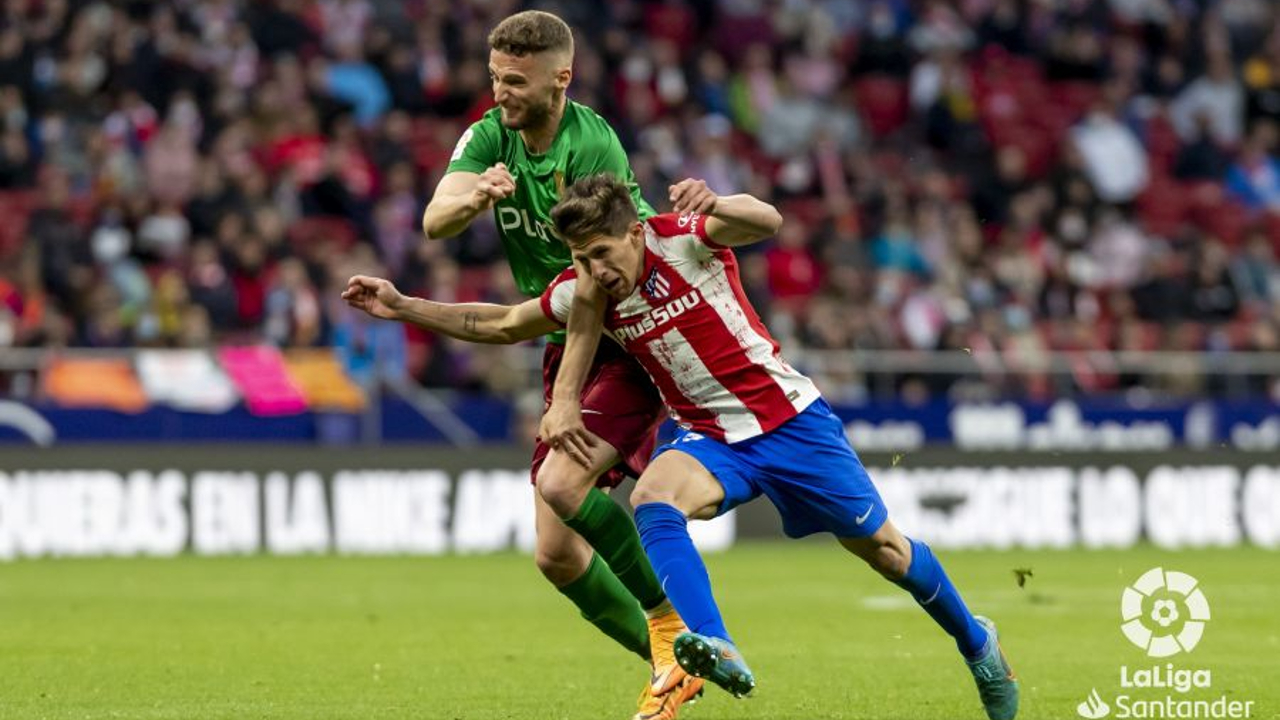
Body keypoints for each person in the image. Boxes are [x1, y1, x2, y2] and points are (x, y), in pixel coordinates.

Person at [345, 173, 1019, 720]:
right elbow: (498, 323)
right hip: (713, 438)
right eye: (580, 259)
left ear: (634, 233)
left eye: (602, 253)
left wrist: (720, 200)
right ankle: (711, 642)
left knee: (887, 553)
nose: (593, 270)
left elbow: (767, 221)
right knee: (653, 497)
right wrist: (404, 305)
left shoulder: (684, 239)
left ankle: (978, 643)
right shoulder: (589, 292)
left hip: (792, 425)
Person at [417, 10, 700, 719]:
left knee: (564, 479)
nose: (501, 92)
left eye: (515, 81)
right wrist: (474, 193)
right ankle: (675, 666)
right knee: (557, 557)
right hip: (563, 326)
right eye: (494, 78)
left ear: (560, 79)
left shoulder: (589, 145)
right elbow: (435, 217)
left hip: (627, 329)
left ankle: (672, 628)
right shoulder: (491, 134)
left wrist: (566, 396)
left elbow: (597, 287)